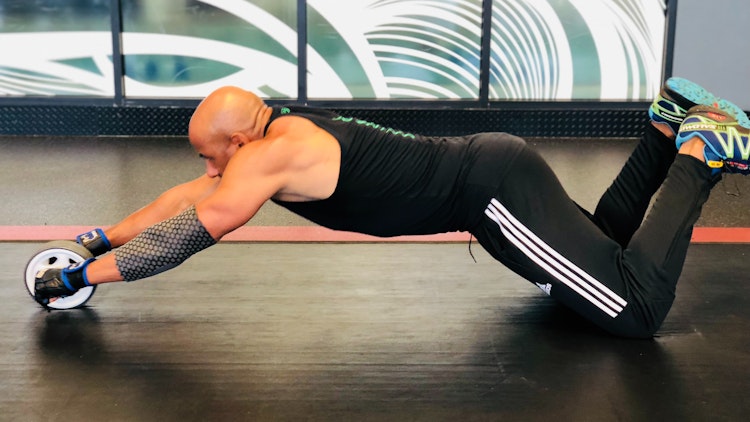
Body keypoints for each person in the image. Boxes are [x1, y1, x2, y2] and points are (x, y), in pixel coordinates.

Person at [33, 77, 750, 338]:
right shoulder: (273, 132)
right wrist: (100, 239)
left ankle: (700, 151)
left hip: (489, 192)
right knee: (603, 250)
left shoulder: (266, 157)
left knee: (633, 308)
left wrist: (83, 279)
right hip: (492, 172)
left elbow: (195, 230)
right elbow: (183, 199)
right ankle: (666, 127)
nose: (208, 169)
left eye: (210, 154)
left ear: (239, 140)